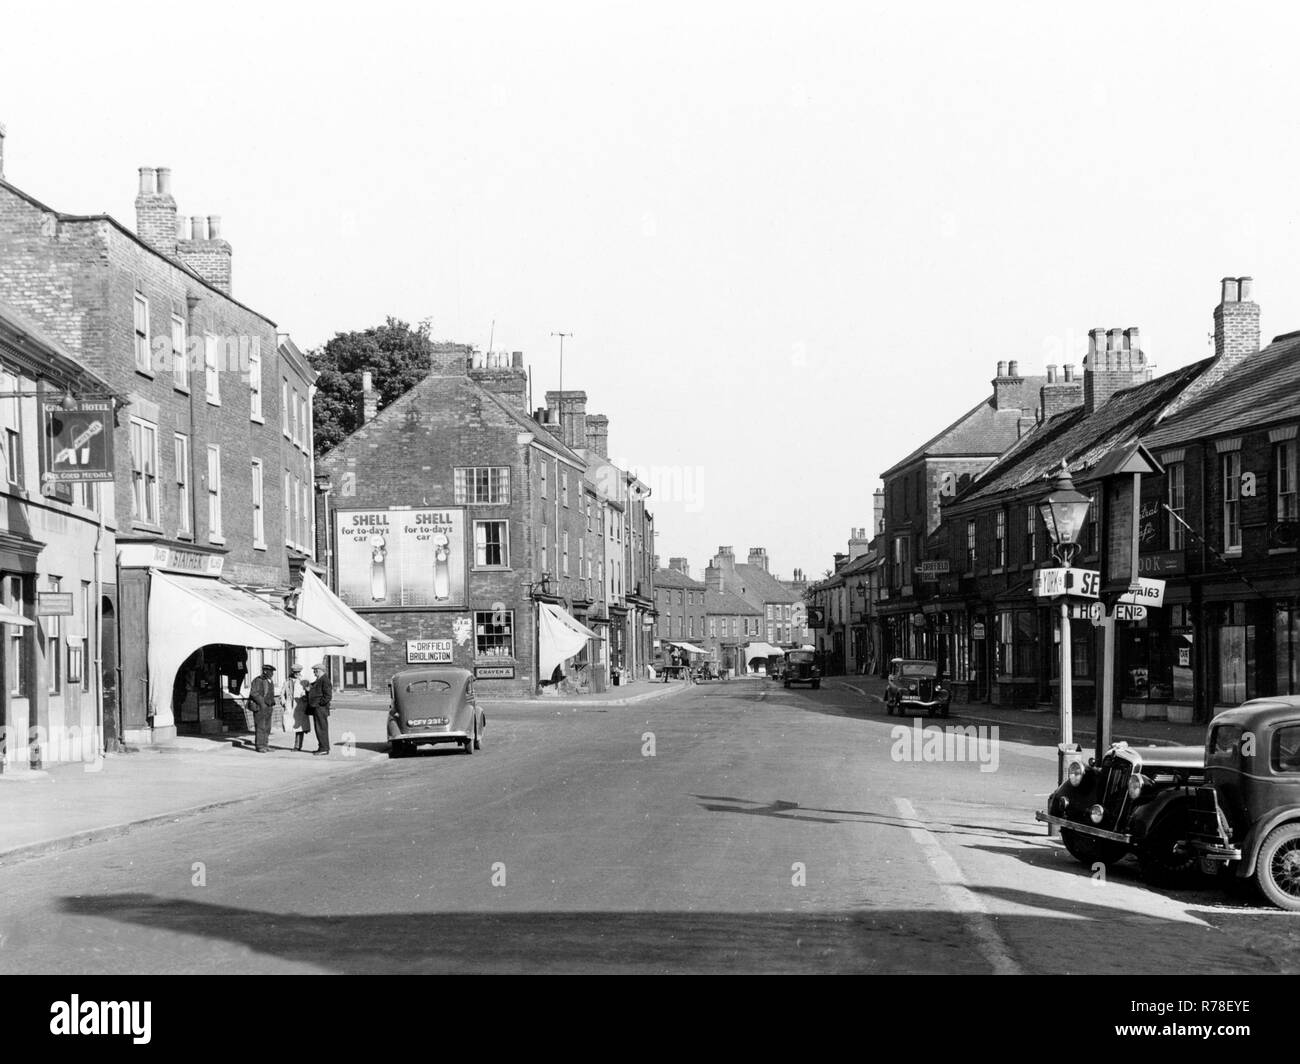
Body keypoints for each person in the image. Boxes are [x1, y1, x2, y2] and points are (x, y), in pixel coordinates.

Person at [248, 663, 278, 753]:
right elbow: (254, 693)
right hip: (260, 707)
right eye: (270, 672)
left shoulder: (270, 681)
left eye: (272, 672)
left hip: (269, 706)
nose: (272, 673)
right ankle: (260, 746)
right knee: (260, 726)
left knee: (267, 727)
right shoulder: (258, 680)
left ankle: (265, 744)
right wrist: (262, 703)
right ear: (265, 671)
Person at [307, 662, 332, 755]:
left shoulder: (324, 680)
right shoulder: (319, 680)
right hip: (317, 708)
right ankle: (322, 747)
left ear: (320, 671)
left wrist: (319, 704)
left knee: (321, 728)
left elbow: (328, 696)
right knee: (319, 728)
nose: (314, 673)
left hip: (320, 708)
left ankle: (324, 748)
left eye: (315, 671)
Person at [285, 664, 311, 751]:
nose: (296, 674)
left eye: (298, 672)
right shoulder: (288, 681)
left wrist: (305, 697)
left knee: (299, 727)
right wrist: (283, 702)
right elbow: (283, 692)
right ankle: (297, 745)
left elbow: (309, 692)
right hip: (291, 706)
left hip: (301, 706)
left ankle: (297, 746)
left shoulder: (304, 681)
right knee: (292, 726)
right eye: (295, 672)